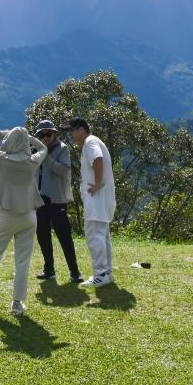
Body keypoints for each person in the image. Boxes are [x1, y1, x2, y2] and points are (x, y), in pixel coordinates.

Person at [0, 127, 47, 316]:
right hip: (28, 215)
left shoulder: (1, 158)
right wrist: (28, 138)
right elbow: (44, 148)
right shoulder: (32, 161)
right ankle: (17, 304)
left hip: (5, 214)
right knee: (22, 261)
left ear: (9, 142)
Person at [61, 117, 115, 287]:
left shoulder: (90, 142)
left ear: (82, 129)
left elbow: (97, 159)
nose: (70, 135)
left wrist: (97, 183)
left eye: (72, 131)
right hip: (101, 198)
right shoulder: (93, 141)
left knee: (95, 236)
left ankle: (100, 274)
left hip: (96, 198)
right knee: (102, 235)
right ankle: (106, 273)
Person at [33, 119, 82, 283]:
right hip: (40, 199)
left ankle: (75, 272)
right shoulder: (36, 150)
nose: (45, 137)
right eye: (42, 135)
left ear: (54, 134)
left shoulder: (62, 149)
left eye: (48, 134)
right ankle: (49, 270)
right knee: (42, 235)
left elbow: (64, 170)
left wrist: (46, 157)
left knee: (64, 236)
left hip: (56, 199)